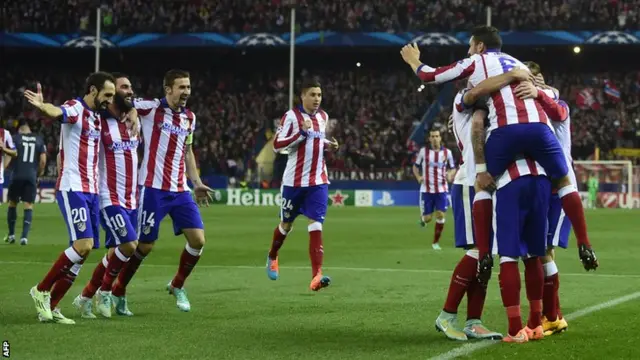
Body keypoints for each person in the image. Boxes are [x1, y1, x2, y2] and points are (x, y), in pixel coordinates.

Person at [400, 25, 597, 271]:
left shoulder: (475, 62)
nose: (469, 50)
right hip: (539, 136)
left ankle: (484, 254)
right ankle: (585, 242)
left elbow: (430, 76)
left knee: (482, 186)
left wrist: (414, 61)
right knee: (563, 187)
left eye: (471, 46)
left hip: (506, 136)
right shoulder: (519, 65)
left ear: (480, 46)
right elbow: (553, 95)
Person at [24, 72, 124, 324]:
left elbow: (127, 109)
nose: (110, 100)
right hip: (73, 187)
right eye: (107, 95)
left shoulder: (99, 119)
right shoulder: (75, 108)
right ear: (93, 90)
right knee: (83, 245)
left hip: (91, 191)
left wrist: (131, 112)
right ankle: (41, 290)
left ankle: (53, 306)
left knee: (83, 252)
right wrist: (42, 106)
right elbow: (56, 112)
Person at [110, 69, 213, 313]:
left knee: (198, 240)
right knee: (144, 246)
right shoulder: (151, 107)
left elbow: (187, 152)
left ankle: (177, 284)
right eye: (181, 87)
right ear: (168, 89)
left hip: (180, 190)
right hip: (152, 188)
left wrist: (196, 182)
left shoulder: (190, 118)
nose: (186, 92)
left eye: (188, 87)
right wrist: (133, 110)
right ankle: (119, 289)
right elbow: (124, 102)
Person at [72, 73, 141, 318]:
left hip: (132, 198)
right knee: (129, 245)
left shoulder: (135, 118)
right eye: (124, 87)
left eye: (131, 86)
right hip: (108, 197)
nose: (129, 91)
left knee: (116, 253)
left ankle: (85, 297)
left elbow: (153, 103)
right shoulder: (99, 121)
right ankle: (104, 291)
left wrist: (133, 112)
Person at [434, 91, 501, 341]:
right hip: (469, 184)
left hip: (485, 187)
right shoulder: (474, 113)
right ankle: (447, 315)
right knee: (477, 251)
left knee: (485, 254)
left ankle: (474, 321)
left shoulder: (485, 115)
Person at [266, 79, 339, 291]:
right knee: (286, 225)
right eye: (313, 95)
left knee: (316, 224)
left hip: (318, 182)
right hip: (293, 183)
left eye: (319, 95)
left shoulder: (323, 117)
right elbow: (278, 145)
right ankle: (272, 255)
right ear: (303, 96)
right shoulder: (291, 117)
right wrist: (301, 133)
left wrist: (329, 145)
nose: (317, 99)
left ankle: (317, 275)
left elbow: (317, 141)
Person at [413, 128, 456, 250]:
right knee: (428, 218)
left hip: (441, 189)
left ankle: (435, 243)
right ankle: (423, 219)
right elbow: (415, 167)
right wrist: (418, 177)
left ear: (440, 138)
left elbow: (453, 168)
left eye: (437, 136)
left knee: (441, 215)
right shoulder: (423, 152)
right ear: (429, 139)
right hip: (426, 190)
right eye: (432, 136)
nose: (435, 138)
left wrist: (450, 174)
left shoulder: (447, 153)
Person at [4, 119, 44, 245]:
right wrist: (38, 174)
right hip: (31, 176)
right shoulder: (38, 139)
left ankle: (11, 235)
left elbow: (9, 155)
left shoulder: (15, 138)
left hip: (16, 175)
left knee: (12, 203)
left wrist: (3, 169)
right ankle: (24, 237)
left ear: (19, 128)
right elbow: (43, 161)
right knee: (28, 205)